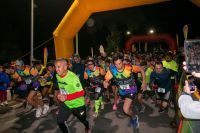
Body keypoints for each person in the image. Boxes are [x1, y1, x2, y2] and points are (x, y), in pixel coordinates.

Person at [103, 53, 146, 129]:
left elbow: (141, 70)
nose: (118, 66)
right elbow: (106, 79)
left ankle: (134, 117)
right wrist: (105, 82)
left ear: (123, 62)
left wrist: (144, 82)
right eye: (116, 64)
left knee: (125, 109)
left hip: (131, 89)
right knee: (128, 107)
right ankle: (131, 113)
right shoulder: (112, 71)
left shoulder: (129, 67)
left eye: (119, 63)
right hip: (122, 91)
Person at [54, 58, 91, 133]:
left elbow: (81, 93)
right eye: (55, 67)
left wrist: (66, 97)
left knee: (83, 120)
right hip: (66, 104)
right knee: (60, 121)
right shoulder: (58, 75)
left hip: (77, 104)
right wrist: (59, 95)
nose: (56, 69)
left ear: (65, 67)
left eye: (58, 67)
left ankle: (87, 128)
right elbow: (62, 87)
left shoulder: (73, 78)